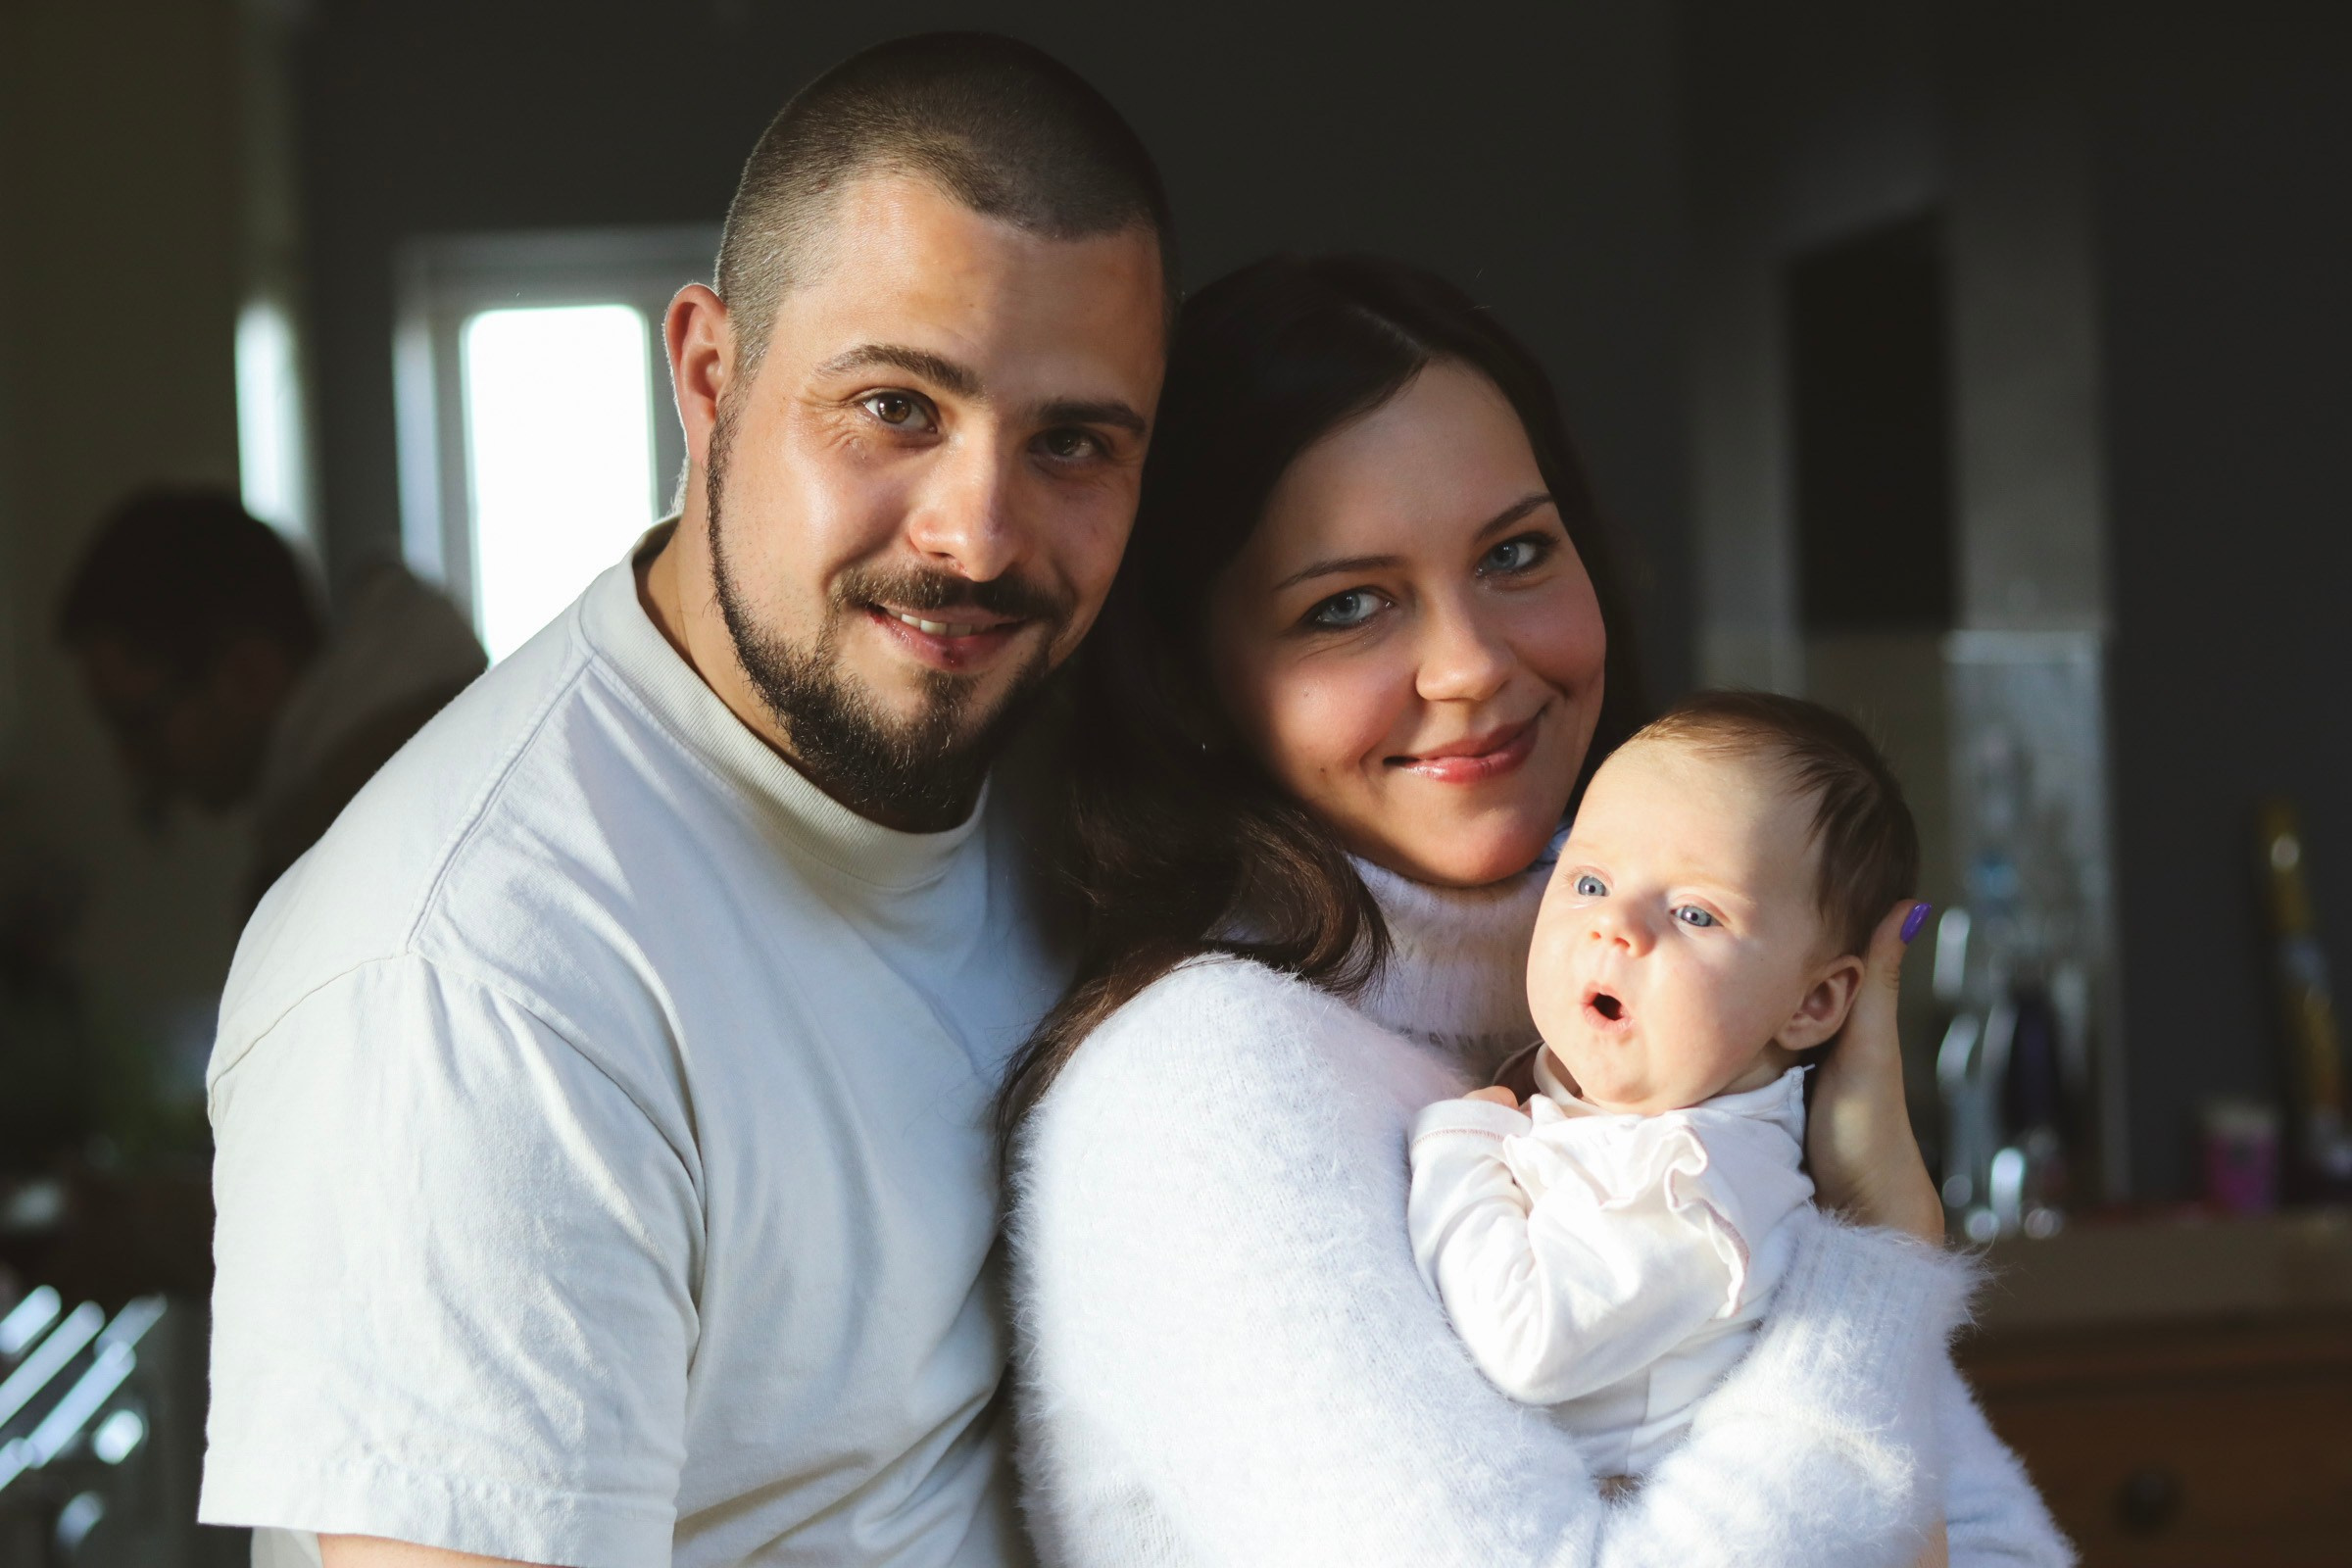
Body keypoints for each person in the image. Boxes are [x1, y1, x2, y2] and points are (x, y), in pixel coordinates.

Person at [199, 33, 1170, 1568]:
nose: (979, 535)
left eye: (1070, 444)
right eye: (897, 408)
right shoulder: (475, 977)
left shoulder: (1062, 778)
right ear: (710, 377)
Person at [1003, 254, 2071, 1566]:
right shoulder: (1201, 1091)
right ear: (1193, 678)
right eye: (1346, 606)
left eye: (1516, 552)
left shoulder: (1654, 1010)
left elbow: (1997, 1542)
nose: (1472, 665)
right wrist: (1878, 1258)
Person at [1409, 692, 1938, 1489]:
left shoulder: (1699, 1189)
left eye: (1694, 912)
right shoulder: (1616, 1100)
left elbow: (1529, 1343)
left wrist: (1456, 1152)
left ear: (1814, 1002)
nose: (1617, 926)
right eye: (1588, 882)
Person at [56, 487, 485, 908]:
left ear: (249, 674)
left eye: (139, 724)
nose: (129, 762)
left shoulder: (350, 865)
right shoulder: (347, 811)